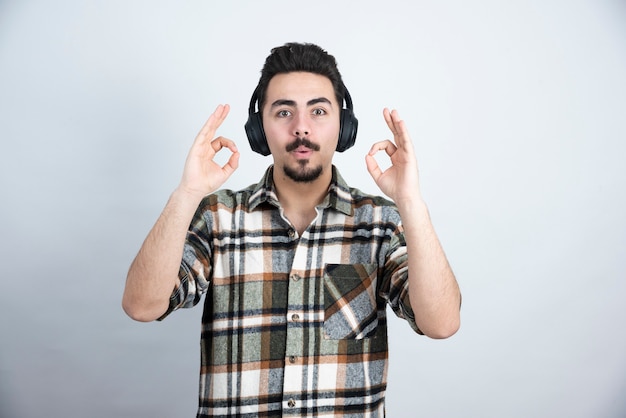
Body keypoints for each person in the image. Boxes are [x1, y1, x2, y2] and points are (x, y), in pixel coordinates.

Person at [122, 42, 461, 417]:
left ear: (344, 127)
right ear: (258, 129)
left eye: (318, 111)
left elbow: (441, 324)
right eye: (284, 112)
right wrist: (186, 193)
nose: (301, 127)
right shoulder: (218, 217)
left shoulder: (380, 223)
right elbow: (142, 306)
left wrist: (411, 203)